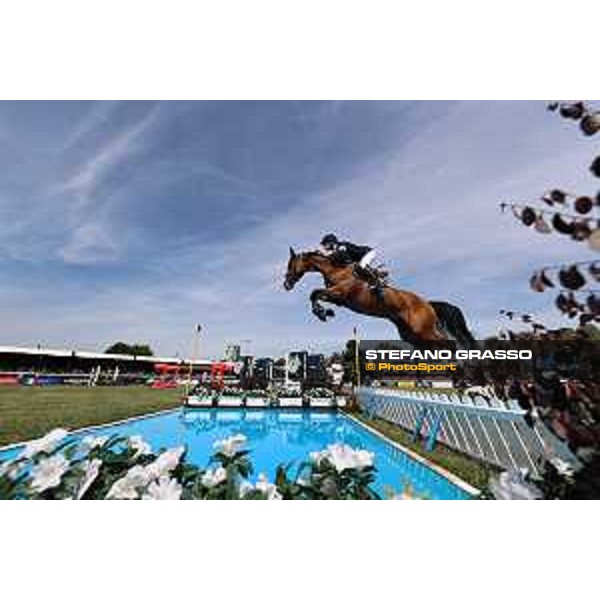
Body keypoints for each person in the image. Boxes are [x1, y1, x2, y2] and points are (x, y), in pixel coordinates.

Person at [319, 233, 387, 298]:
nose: (325, 247)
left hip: (368, 253)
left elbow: (347, 260)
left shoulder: (341, 247)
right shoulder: (336, 249)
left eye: (325, 244)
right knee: (359, 268)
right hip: (360, 258)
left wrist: (325, 255)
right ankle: (376, 275)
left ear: (331, 243)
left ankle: (377, 284)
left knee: (361, 266)